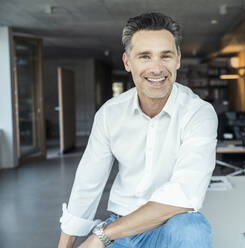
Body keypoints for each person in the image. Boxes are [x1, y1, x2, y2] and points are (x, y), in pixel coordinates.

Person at [58, 12, 217, 248]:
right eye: (144, 56)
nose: (156, 68)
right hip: (121, 226)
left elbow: (185, 194)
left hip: (173, 226)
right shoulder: (110, 114)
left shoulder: (198, 113)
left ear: (178, 60)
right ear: (127, 62)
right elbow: (87, 183)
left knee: (193, 230)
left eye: (166, 56)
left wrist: (102, 236)